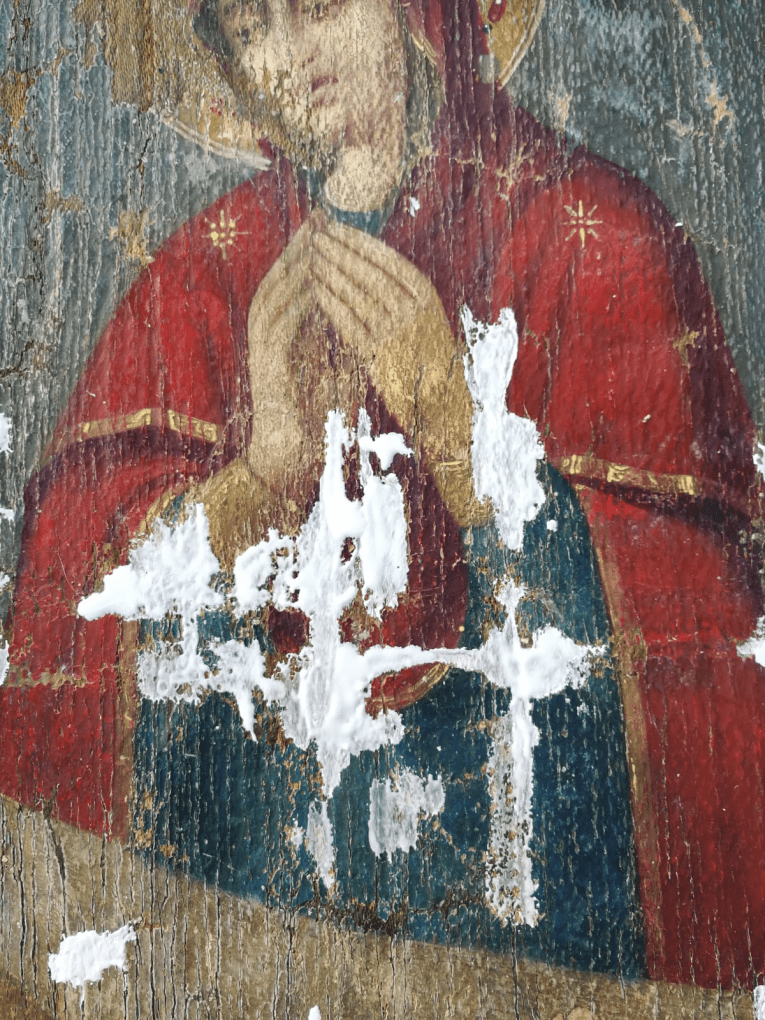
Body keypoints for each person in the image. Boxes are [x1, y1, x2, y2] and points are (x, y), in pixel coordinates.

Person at [4, 0, 765, 991]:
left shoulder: (598, 238)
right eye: (249, 29)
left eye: (316, 6)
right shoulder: (200, 279)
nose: (287, 56)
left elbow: (704, 666)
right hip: (259, 928)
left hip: (533, 940)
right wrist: (262, 482)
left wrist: (459, 436)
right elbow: (69, 637)